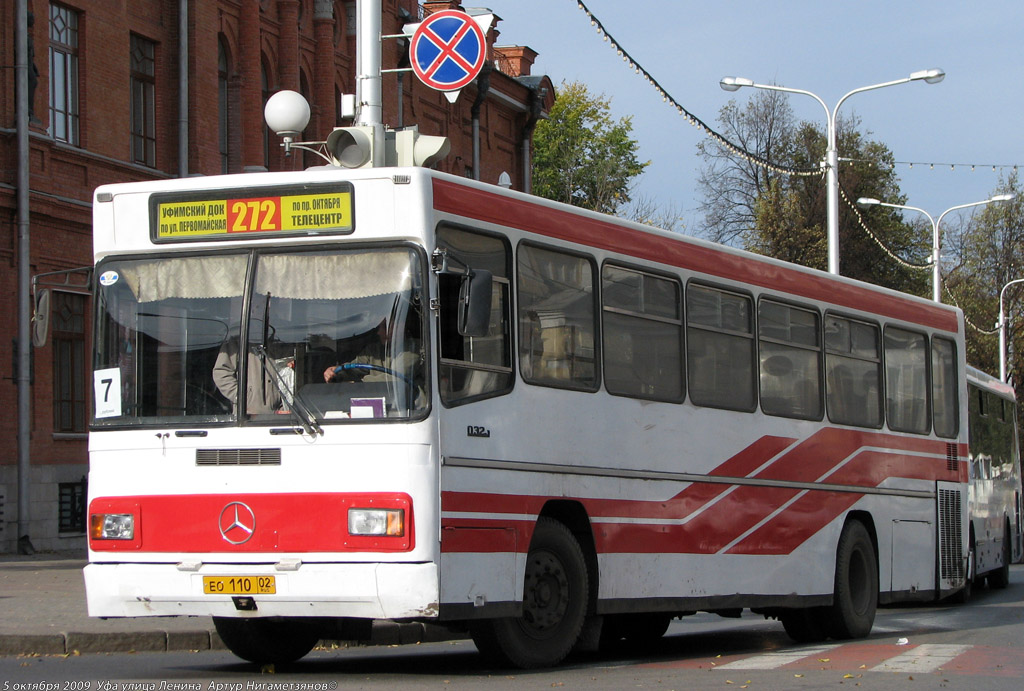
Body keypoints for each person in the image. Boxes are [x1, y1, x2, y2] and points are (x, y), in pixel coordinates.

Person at [213, 338, 289, 414]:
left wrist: (285, 406)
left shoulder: (286, 337)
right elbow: (221, 373)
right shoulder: (238, 337)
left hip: (282, 415)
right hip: (247, 416)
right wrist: (243, 397)